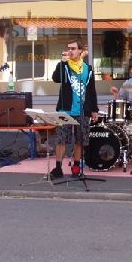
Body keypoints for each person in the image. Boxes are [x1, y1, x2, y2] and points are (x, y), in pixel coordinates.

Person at [49, 39, 99, 179]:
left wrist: (94, 109)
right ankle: (58, 168)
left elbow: (91, 90)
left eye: (73, 48)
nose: (70, 51)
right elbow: (56, 78)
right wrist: (62, 63)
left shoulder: (88, 69)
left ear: (80, 51)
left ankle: (76, 167)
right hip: (65, 109)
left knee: (80, 141)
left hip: (82, 110)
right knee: (61, 140)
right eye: (68, 48)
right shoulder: (64, 65)